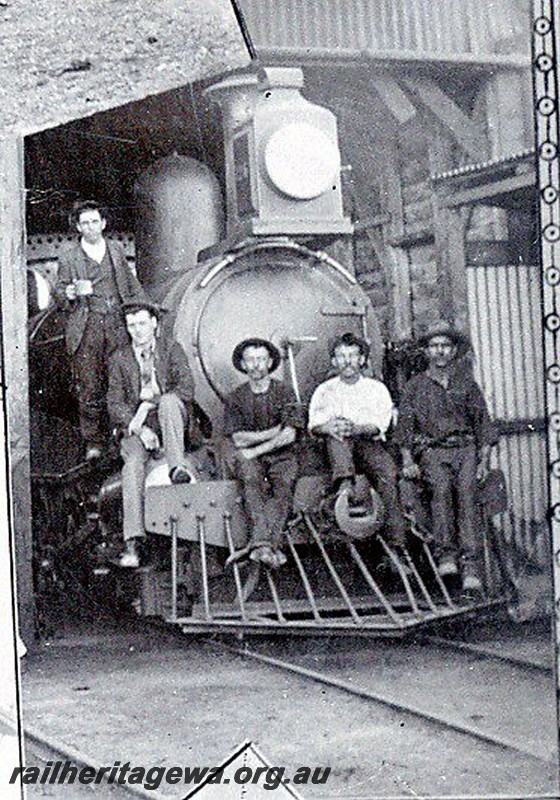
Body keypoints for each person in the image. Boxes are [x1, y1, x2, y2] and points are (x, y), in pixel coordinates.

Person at [395, 321, 497, 592]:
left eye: (445, 346)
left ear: (453, 351)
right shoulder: (414, 387)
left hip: (465, 450)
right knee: (440, 493)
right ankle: (446, 557)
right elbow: (405, 427)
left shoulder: (467, 385)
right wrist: (408, 460)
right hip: (433, 451)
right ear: (427, 351)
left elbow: (483, 424)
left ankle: (472, 568)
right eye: (434, 346)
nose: (439, 351)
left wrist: (483, 461)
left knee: (467, 497)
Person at [54, 200, 147, 460]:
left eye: (95, 221)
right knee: (90, 385)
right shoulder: (69, 255)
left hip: (118, 324)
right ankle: (93, 442)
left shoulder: (115, 249)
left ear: (103, 223)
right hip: (88, 327)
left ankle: (123, 435)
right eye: (85, 223)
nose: (91, 227)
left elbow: (131, 284)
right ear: (78, 227)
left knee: (121, 382)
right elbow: (59, 294)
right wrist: (70, 292)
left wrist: (146, 311)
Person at [107, 301, 196, 568]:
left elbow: (186, 390)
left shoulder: (171, 349)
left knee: (169, 402)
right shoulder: (119, 359)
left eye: (142, 323)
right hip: (137, 429)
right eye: (131, 325)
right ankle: (133, 541)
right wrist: (141, 428)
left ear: (154, 323)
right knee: (133, 464)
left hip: (173, 422)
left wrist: (149, 404)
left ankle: (176, 468)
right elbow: (115, 404)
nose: (137, 330)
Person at [308, 332, 407, 548]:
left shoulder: (376, 389)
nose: (347, 361)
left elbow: (380, 425)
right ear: (334, 361)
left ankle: (396, 544)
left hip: (368, 443)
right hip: (334, 448)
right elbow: (314, 424)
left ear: (362, 359)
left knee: (388, 473)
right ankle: (344, 490)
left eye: (352, 355)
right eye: (341, 356)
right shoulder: (324, 390)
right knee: (338, 435)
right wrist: (329, 426)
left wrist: (356, 428)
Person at [223, 338, 298, 568]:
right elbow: (237, 437)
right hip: (248, 457)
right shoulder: (236, 397)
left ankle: (261, 546)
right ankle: (267, 546)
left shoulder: (285, 392)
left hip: (280, 455)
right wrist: (272, 433)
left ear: (270, 362)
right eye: (250, 360)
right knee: (251, 480)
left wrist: (256, 448)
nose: (256, 365)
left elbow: (290, 435)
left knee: (284, 483)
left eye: (260, 359)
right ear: (243, 365)